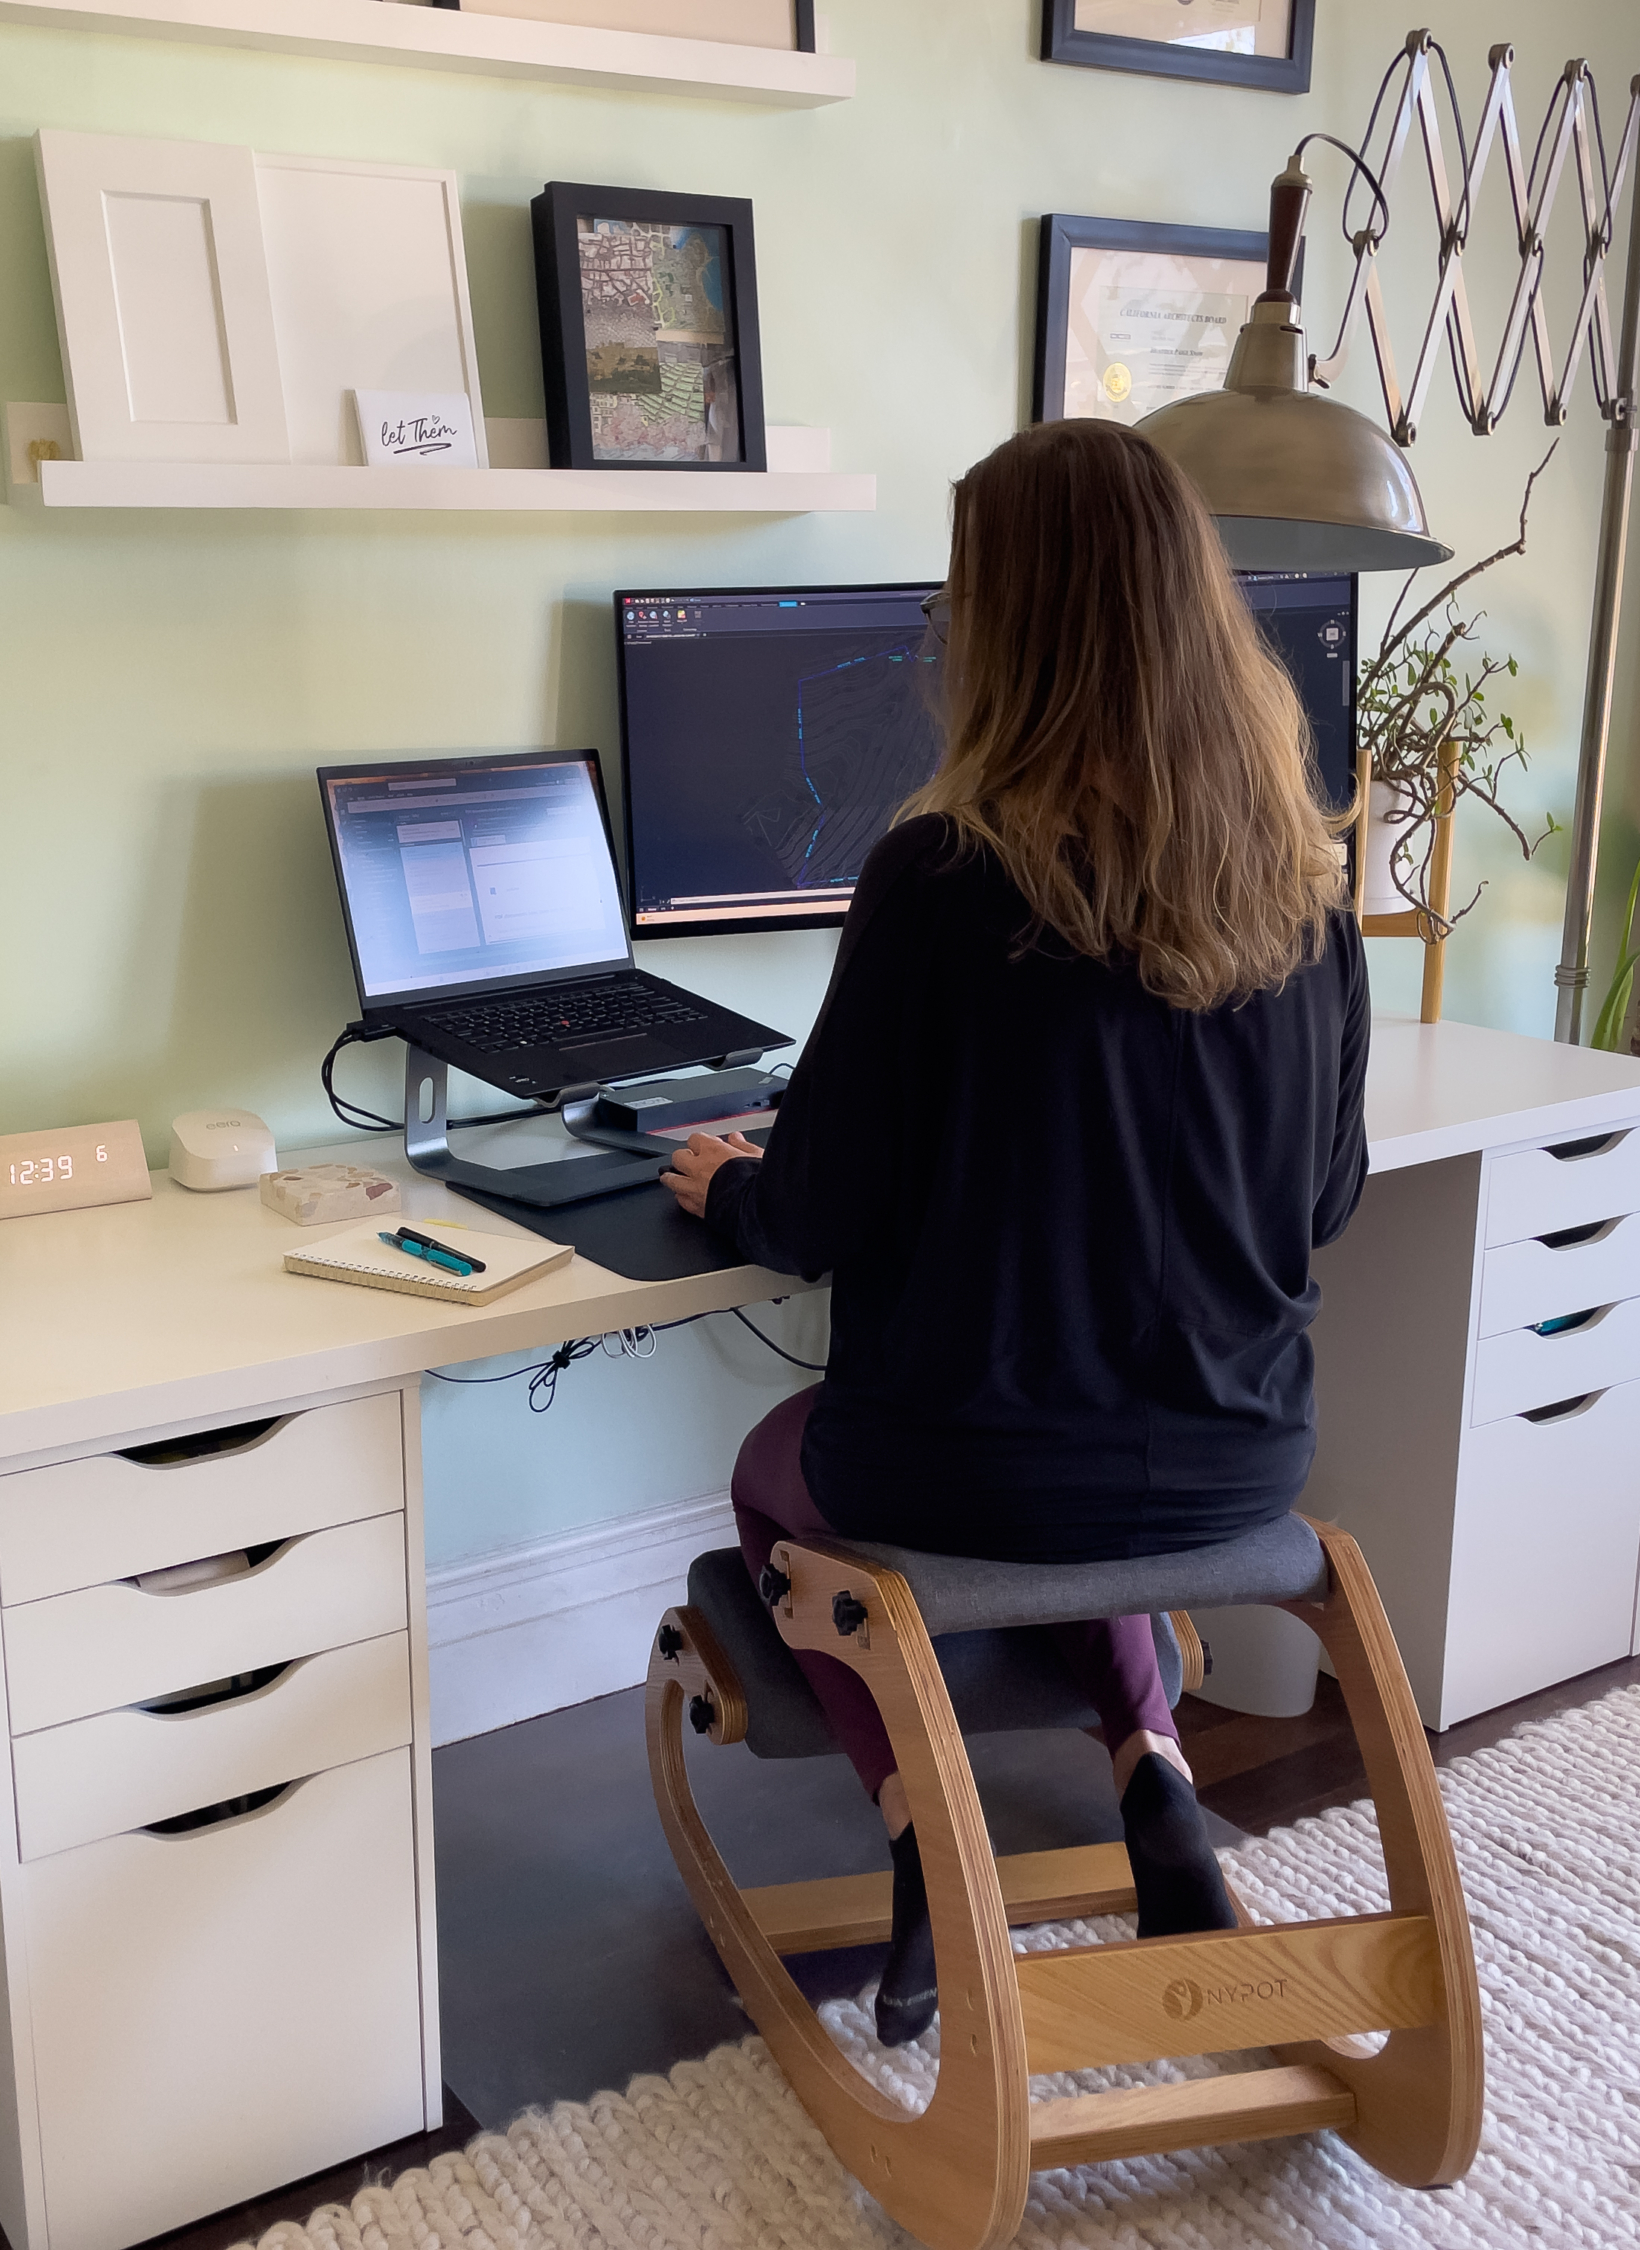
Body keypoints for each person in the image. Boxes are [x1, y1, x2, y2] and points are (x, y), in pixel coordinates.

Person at [662, 417, 1369, 2045]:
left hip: (955, 1470)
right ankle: (1159, 1784)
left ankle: (923, 1830)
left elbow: (821, 1206)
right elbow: (1323, 1199)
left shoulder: (937, 877)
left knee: (785, 1472)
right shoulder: (1303, 886)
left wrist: (732, 1183)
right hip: (1240, 1465)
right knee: (1082, 1463)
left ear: (1015, 631)